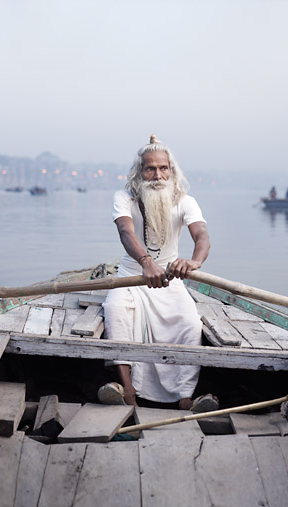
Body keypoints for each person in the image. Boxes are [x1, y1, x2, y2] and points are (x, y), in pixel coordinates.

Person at [101, 135, 215, 412]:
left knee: (190, 323)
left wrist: (195, 262)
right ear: (139, 173)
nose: (157, 175)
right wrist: (145, 261)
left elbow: (201, 235)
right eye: (150, 169)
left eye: (163, 168)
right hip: (131, 276)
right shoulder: (124, 197)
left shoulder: (185, 201)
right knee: (115, 310)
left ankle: (185, 397)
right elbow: (125, 231)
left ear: (172, 171)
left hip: (169, 281)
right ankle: (128, 392)